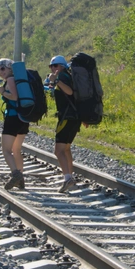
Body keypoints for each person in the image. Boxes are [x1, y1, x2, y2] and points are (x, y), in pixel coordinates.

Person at [47, 55, 80, 193]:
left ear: (61, 66)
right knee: (66, 149)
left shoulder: (63, 77)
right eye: (51, 66)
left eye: (55, 66)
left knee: (58, 151)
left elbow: (70, 92)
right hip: (74, 117)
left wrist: (57, 81)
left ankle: (67, 179)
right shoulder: (68, 76)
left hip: (67, 118)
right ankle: (70, 177)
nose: (53, 69)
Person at [0, 58, 28, 190]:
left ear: (10, 68)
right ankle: (21, 179)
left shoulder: (10, 80)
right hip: (23, 118)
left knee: (6, 150)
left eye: (3, 68)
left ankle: (16, 174)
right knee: (16, 150)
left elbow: (14, 97)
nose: (0, 72)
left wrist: (2, 92)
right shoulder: (18, 79)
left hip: (13, 118)